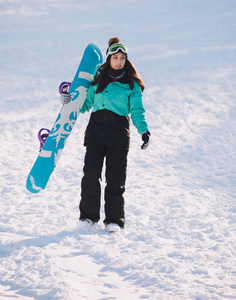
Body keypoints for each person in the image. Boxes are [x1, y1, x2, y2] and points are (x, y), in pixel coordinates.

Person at [60, 37, 151, 232]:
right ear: (109, 59)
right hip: (95, 132)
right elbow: (84, 106)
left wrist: (143, 130)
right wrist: (68, 100)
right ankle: (88, 217)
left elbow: (137, 110)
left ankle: (114, 220)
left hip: (118, 134)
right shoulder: (98, 81)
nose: (119, 61)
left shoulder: (131, 85)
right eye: (115, 57)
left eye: (122, 58)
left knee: (115, 179)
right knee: (91, 175)